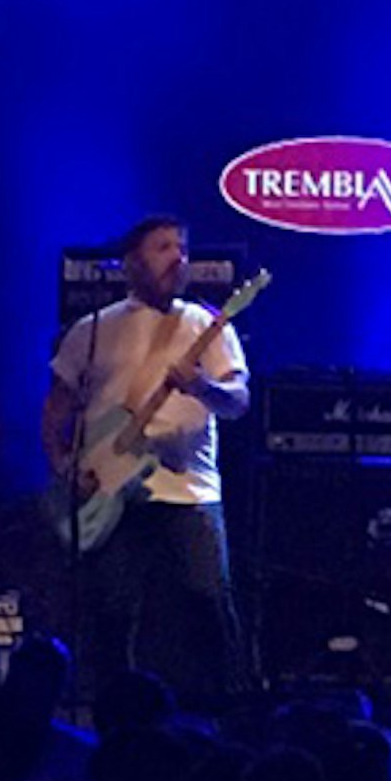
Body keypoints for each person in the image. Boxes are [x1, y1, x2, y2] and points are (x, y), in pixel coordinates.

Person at [39, 211, 250, 701]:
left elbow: (238, 401)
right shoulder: (93, 329)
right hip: (112, 493)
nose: (178, 257)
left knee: (208, 600)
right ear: (131, 263)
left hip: (188, 490)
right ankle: (112, 709)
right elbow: (57, 407)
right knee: (112, 609)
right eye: (163, 248)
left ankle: (226, 706)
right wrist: (62, 464)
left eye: (182, 248)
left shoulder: (207, 324)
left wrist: (201, 386)